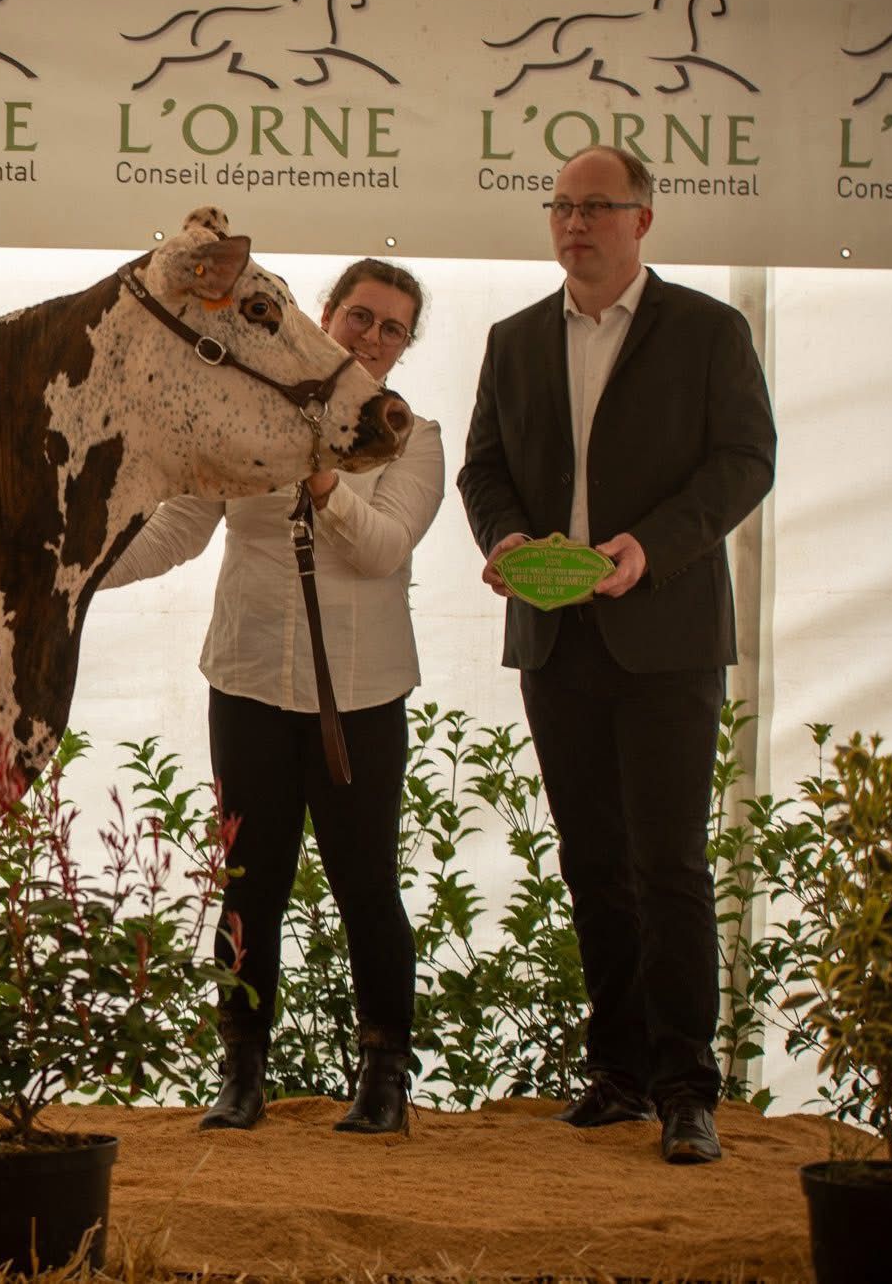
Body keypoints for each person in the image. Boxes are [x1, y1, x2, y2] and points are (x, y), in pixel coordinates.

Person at [457, 144, 776, 1165]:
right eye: (559, 206)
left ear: (643, 219)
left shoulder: (706, 331)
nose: (572, 224)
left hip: (666, 632)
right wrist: (502, 541)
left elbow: (744, 459)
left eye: (594, 206)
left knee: (667, 862)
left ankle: (687, 1084)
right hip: (555, 635)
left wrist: (655, 547)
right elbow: (482, 470)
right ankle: (620, 1073)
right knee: (591, 862)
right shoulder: (511, 340)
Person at [104, 258, 444, 1135]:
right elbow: (180, 526)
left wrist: (324, 483)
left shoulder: (418, 437)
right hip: (249, 682)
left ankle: (382, 1078)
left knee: (367, 883)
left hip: (361, 699)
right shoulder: (247, 425)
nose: (371, 336)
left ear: (405, 348)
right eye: (360, 316)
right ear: (325, 317)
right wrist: (86, 569)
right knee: (251, 886)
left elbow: (382, 551)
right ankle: (242, 1072)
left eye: (391, 328)